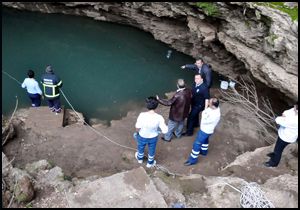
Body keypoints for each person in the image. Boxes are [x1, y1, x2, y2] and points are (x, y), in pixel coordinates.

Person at [184, 98, 221, 166]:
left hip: (205, 130)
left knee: (196, 144)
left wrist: (205, 108)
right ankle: (204, 151)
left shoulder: (215, 115)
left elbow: (204, 119)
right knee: (205, 141)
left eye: (209, 102)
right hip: (209, 130)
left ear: (213, 106)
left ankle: (192, 160)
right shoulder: (216, 108)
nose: (208, 103)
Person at [135, 96, 168, 168]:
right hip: (153, 136)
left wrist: (137, 133)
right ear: (156, 106)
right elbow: (165, 130)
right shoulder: (159, 117)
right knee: (152, 149)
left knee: (140, 147)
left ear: (147, 105)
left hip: (142, 135)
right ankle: (150, 163)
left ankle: (140, 159)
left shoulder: (142, 115)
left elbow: (137, 127)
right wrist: (159, 132)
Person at [264, 102, 298, 167]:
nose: (293, 107)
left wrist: (281, 117)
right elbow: (287, 112)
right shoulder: (294, 112)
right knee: (277, 147)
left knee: (278, 150)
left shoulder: (294, 120)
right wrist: (284, 115)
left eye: (295, 106)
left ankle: (273, 163)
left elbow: (278, 120)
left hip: (286, 137)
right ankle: (274, 155)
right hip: (289, 135)